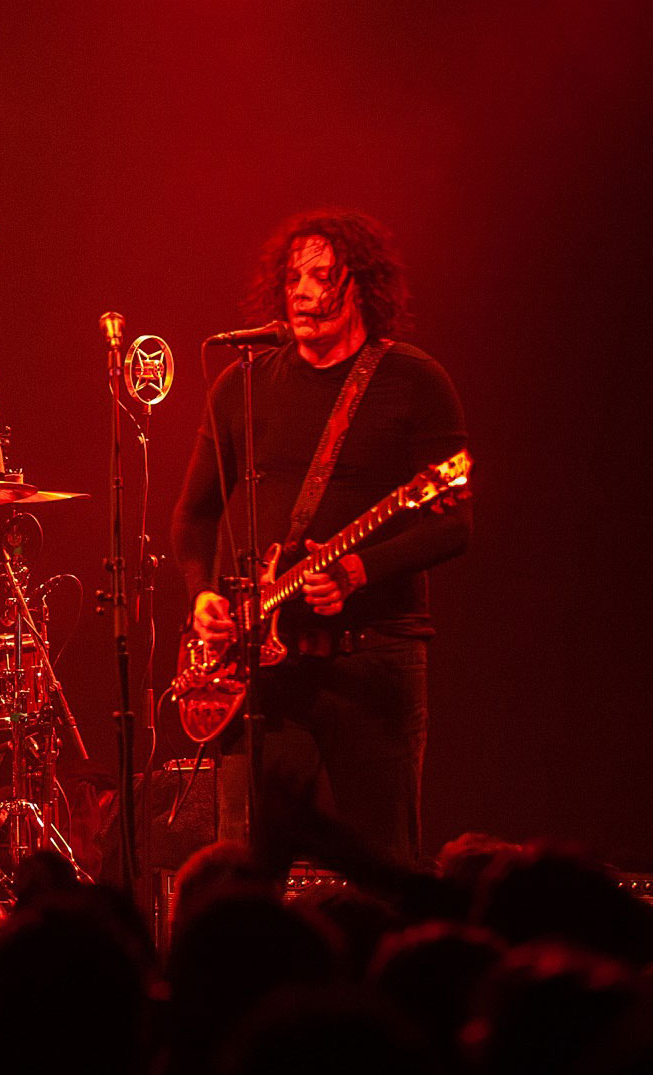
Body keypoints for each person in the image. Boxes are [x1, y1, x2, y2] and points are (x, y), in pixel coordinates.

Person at [171, 209, 469, 863]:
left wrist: (361, 571)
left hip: (373, 659)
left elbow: (453, 521)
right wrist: (202, 600)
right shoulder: (242, 384)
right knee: (241, 871)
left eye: (321, 277)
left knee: (385, 864)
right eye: (292, 278)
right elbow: (193, 517)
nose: (302, 292)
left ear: (359, 285)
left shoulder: (412, 381)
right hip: (261, 671)